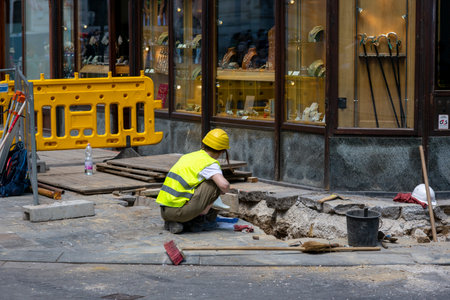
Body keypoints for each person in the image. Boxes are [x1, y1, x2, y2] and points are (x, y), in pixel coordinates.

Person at [156, 129, 231, 233]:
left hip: (164, 211)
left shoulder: (188, 156)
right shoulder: (210, 163)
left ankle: (175, 222)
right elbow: (224, 185)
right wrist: (222, 191)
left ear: (204, 144)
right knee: (214, 184)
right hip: (179, 212)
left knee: (204, 182)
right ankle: (197, 219)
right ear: (222, 151)